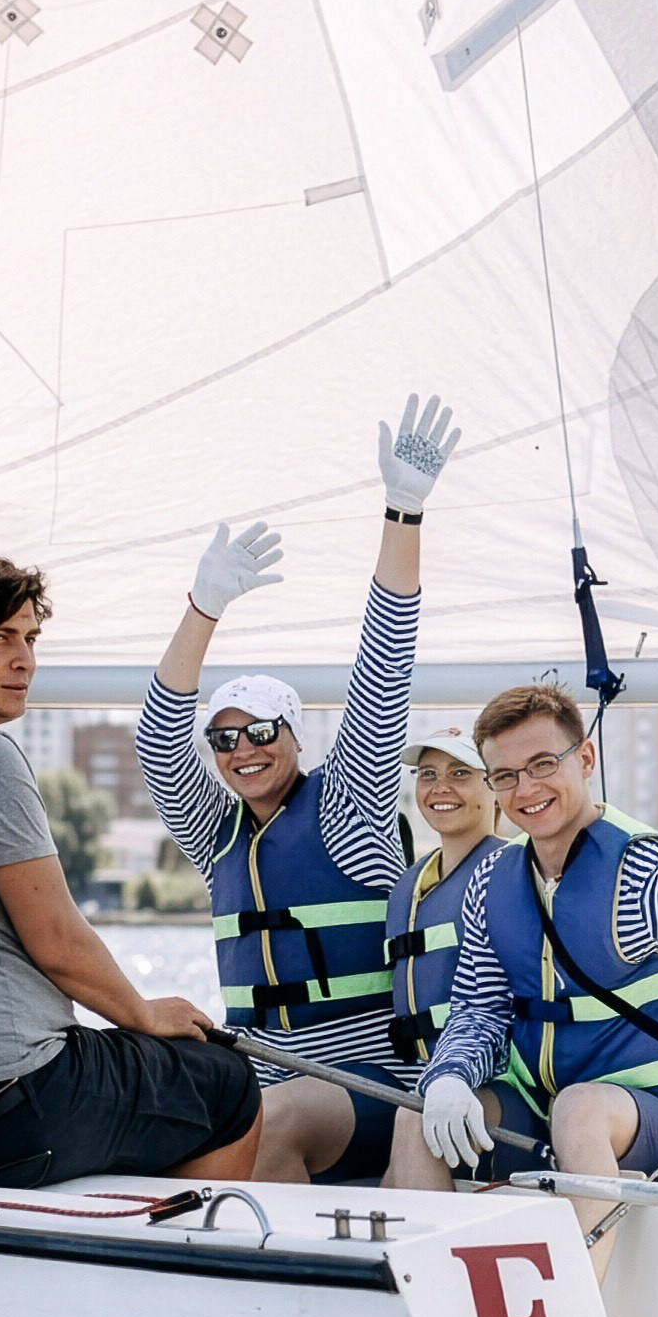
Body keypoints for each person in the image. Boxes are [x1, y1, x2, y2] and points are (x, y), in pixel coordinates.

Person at [0, 552, 260, 1190]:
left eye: (29, 638)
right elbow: (57, 943)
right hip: (5, 1106)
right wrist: (143, 1013)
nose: (24, 660)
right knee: (225, 1086)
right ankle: (186, 1269)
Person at [136, 393, 458, 1184]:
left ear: (294, 735)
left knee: (267, 1125)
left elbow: (383, 672)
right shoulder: (219, 841)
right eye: (224, 737)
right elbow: (154, 740)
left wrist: (403, 514)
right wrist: (203, 605)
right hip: (258, 1071)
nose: (243, 750)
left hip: (369, 1085)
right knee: (150, 1125)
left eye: (261, 732)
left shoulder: (346, 805)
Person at [415, 690, 658, 1270]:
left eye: (543, 765)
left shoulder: (648, 867)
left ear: (585, 759)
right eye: (505, 776)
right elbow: (479, 1010)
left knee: (580, 1110)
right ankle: (431, 1311)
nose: (526, 789)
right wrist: (448, 1078)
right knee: (416, 1116)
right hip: (549, 1115)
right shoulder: (492, 882)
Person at [382, 729, 545, 1187]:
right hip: (422, 1081)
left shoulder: (517, 874)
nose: (440, 787)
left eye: (460, 774)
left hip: (508, 1090)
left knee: (411, 1119)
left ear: (494, 788)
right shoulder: (407, 888)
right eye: (428, 774)